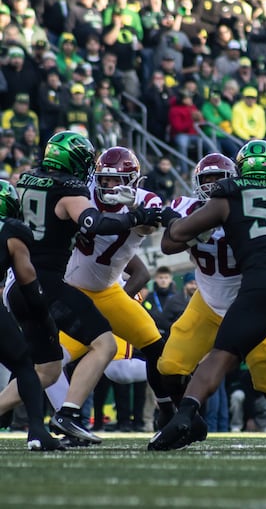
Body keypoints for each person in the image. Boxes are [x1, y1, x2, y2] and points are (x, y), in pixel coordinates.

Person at [149, 140, 266, 452]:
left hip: (250, 293)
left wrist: (177, 222)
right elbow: (168, 245)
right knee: (170, 365)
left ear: (235, 175)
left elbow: (177, 231)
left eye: (219, 179)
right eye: (207, 180)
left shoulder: (229, 198)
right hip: (212, 297)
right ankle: (190, 421)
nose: (213, 185)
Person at [0, 131, 161, 446]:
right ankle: (68, 415)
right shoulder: (70, 189)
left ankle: (47, 420)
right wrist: (137, 216)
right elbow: (94, 223)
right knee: (105, 344)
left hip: (15, 281)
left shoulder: (26, 179)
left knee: (45, 369)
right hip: (43, 282)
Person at [62, 146, 176, 432]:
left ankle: (166, 410)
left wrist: (137, 208)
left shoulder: (145, 199)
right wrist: (135, 215)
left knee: (156, 347)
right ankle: (59, 417)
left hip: (110, 291)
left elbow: (154, 222)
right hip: (73, 293)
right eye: (104, 179)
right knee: (50, 362)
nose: (108, 185)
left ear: (132, 180)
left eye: (115, 180)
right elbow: (97, 223)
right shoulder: (83, 196)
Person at [0, 181, 64, 451]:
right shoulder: (13, 230)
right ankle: (38, 431)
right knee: (25, 366)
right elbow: (27, 278)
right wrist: (43, 312)